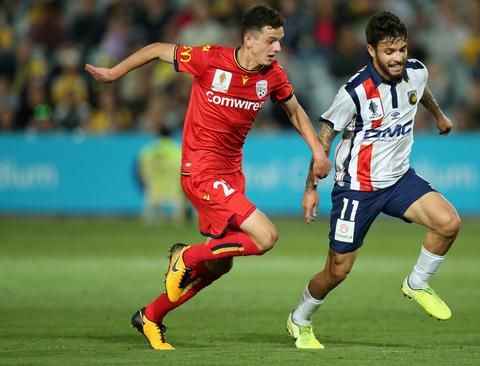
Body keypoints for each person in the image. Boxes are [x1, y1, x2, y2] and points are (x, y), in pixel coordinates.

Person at [86, 5, 331, 350]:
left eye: (280, 41)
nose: (277, 48)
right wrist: (114, 73)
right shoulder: (208, 59)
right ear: (249, 39)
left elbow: (294, 110)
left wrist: (318, 152)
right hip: (200, 170)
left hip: (232, 174)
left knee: (221, 265)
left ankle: (151, 316)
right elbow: (157, 49)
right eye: (271, 41)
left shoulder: (272, 76)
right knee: (265, 237)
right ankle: (186, 257)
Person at [286, 11, 461, 349]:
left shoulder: (416, 72)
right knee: (337, 271)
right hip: (356, 188)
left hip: (398, 181)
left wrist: (439, 116)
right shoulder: (354, 92)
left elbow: (421, 90)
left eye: (402, 50)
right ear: (371, 50)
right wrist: (310, 188)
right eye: (389, 51)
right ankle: (300, 319)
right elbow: (325, 137)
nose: (398, 58)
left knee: (449, 223)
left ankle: (417, 282)